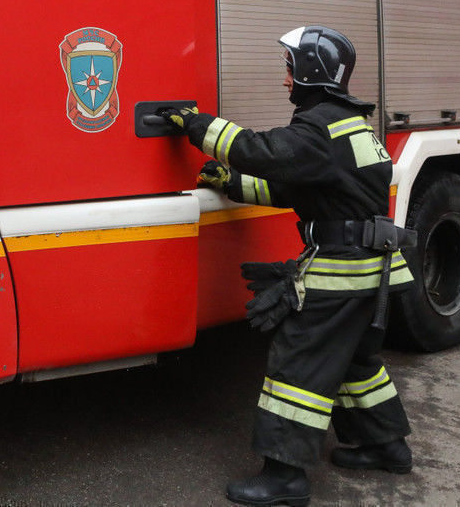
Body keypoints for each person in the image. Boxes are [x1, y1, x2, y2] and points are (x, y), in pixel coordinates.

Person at [164, 26, 416, 507]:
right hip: (371, 272)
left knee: (298, 366)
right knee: (354, 363)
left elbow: (261, 151)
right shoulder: (352, 125)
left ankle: (284, 477)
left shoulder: (318, 128)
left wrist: (197, 125)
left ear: (309, 72)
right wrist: (235, 186)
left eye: (289, 68)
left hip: (340, 275)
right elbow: (306, 189)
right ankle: (386, 446)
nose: (285, 80)